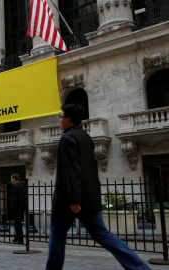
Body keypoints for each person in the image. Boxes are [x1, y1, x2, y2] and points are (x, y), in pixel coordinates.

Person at [46, 104, 150, 270]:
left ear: (68, 120)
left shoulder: (67, 138)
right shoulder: (85, 136)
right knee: (104, 235)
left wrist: (74, 199)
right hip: (90, 199)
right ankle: (140, 268)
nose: (60, 120)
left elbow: (71, 170)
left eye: (61, 117)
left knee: (57, 238)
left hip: (68, 202)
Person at [11, 173, 25, 244]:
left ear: (14, 179)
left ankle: (20, 239)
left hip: (16, 207)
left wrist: (12, 207)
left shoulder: (15, 186)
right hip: (21, 208)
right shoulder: (22, 186)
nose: (11, 180)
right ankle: (17, 238)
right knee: (18, 223)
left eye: (11, 179)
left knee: (17, 224)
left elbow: (14, 198)